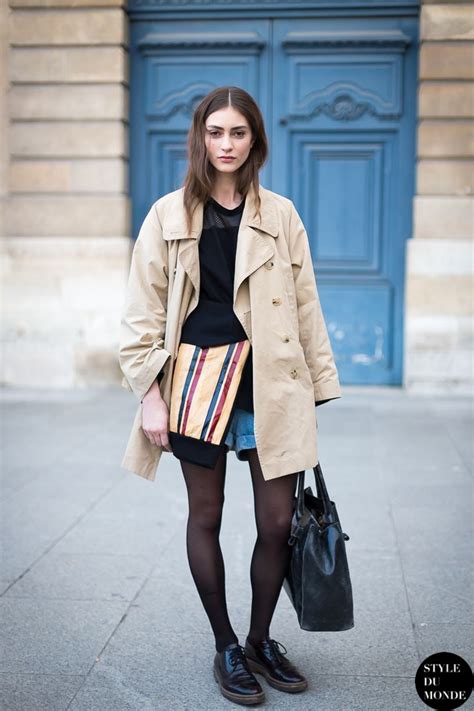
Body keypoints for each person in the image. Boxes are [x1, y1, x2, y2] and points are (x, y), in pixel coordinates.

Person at [119, 86, 342, 706]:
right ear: (200, 138)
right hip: (193, 382)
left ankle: (260, 639)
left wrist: (317, 386)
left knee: (276, 523)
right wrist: (148, 393)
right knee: (207, 516)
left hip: (269, 384)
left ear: (255, 140)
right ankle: (225, 645)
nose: (225, 144)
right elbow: (142, 314)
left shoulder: (282, 216)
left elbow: (305, 305)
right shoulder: (167, 216)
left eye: (237, 133)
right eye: (215, 132)